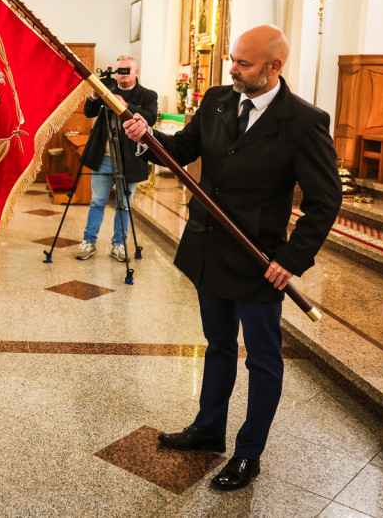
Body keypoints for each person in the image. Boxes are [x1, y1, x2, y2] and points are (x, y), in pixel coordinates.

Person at [123, 25, 341, 490]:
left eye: (243, 62)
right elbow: (183, 150)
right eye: (233, 58)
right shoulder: (219, 99)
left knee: (263, 359)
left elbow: (325, 200)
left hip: (259, 259)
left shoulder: (303, 121)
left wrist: (292, 258)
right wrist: (148, 135)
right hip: (210, 247)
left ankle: (248, 453)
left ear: (274, 67)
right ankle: (208, 428)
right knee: (217, 345)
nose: (232, 68)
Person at [75, 57, 158, 261]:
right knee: (97, 202)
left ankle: (119, 244)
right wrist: (95, 96)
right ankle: (89, 242)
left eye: (127, 70)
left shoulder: (147, 95)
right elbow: (88, 112)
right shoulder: (108, 90)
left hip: (130, 159)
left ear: (136, 71)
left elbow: (151, 117)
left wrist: (125, 105)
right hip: (103, 157)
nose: (123, 74)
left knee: (124, 204)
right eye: (119, 70)